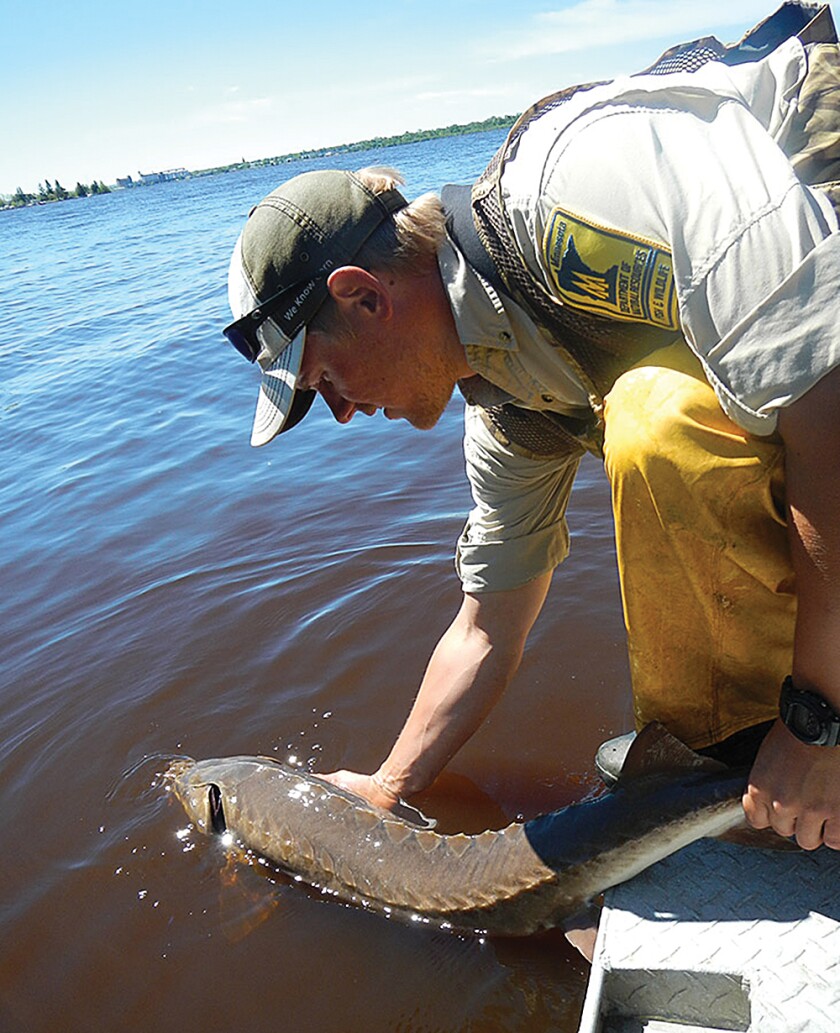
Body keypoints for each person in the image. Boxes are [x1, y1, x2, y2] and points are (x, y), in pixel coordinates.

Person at [223, 2, 840, 852]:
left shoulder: (579, 190)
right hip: (809, 390)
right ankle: (727, 771)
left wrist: (816, 725)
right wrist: (388, 786)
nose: (339, 410)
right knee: (660, 426)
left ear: (364, 295)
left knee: (656, 423)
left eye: (323, 378)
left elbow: (829, 410)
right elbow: (487, 627)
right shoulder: (508, 405)